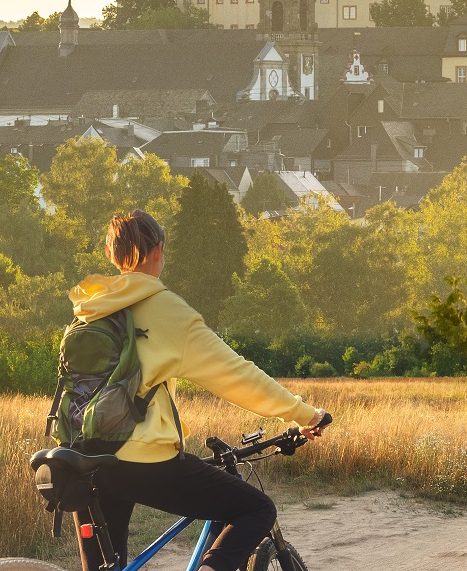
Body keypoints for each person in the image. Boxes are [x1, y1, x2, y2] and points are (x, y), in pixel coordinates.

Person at [69, 209, 328, 571]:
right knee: (257, 508)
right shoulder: (166, 310)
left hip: (85, 457)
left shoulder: (91, 309)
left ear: (113, 255)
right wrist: (305, 414)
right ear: (158, 250)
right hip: (142, 463)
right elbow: (237, 375)